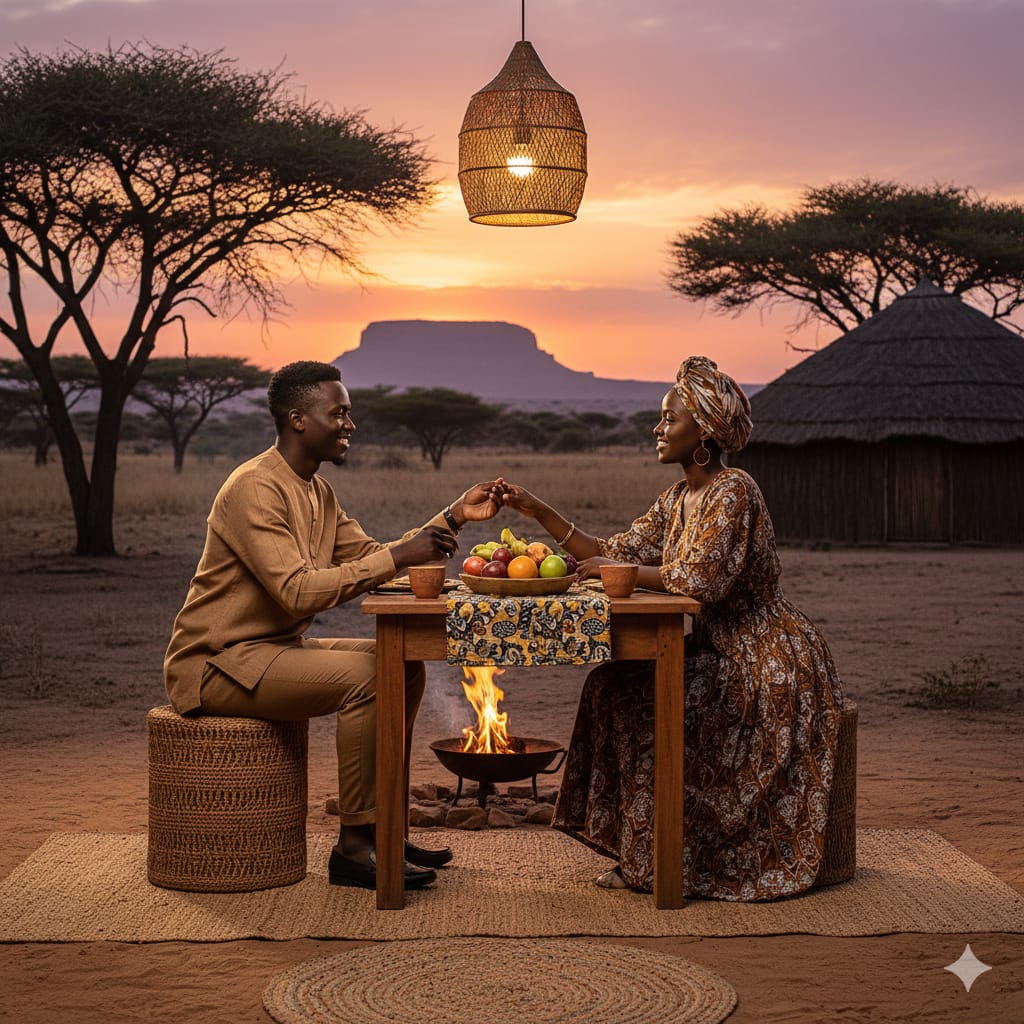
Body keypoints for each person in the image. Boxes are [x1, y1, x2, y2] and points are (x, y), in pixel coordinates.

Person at [499, 355, 844, 900]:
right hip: (716, 647)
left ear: (703, 429)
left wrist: (619, 572)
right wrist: (537, 510)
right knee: (608, 684)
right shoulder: (678, 499)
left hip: (762, 658)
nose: (657, 428)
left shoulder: (734, 490)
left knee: (641, 704)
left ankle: (660, 862)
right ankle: (643, 851)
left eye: (669, 418)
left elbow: (701, 581)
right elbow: (610, 550)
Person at [164, 360, 504, 890]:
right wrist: (399, 556)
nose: (350, 424)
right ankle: (353, 846)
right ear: (298, 419)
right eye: (339, 413)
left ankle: (385, 827)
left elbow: (374, 557)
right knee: (369, 678)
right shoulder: (255, 487)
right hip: (218, 662)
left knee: (401, 664)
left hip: (274, 647)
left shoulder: (317, 492)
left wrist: (455, 515)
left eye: (349, 413)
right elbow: (297, 590)